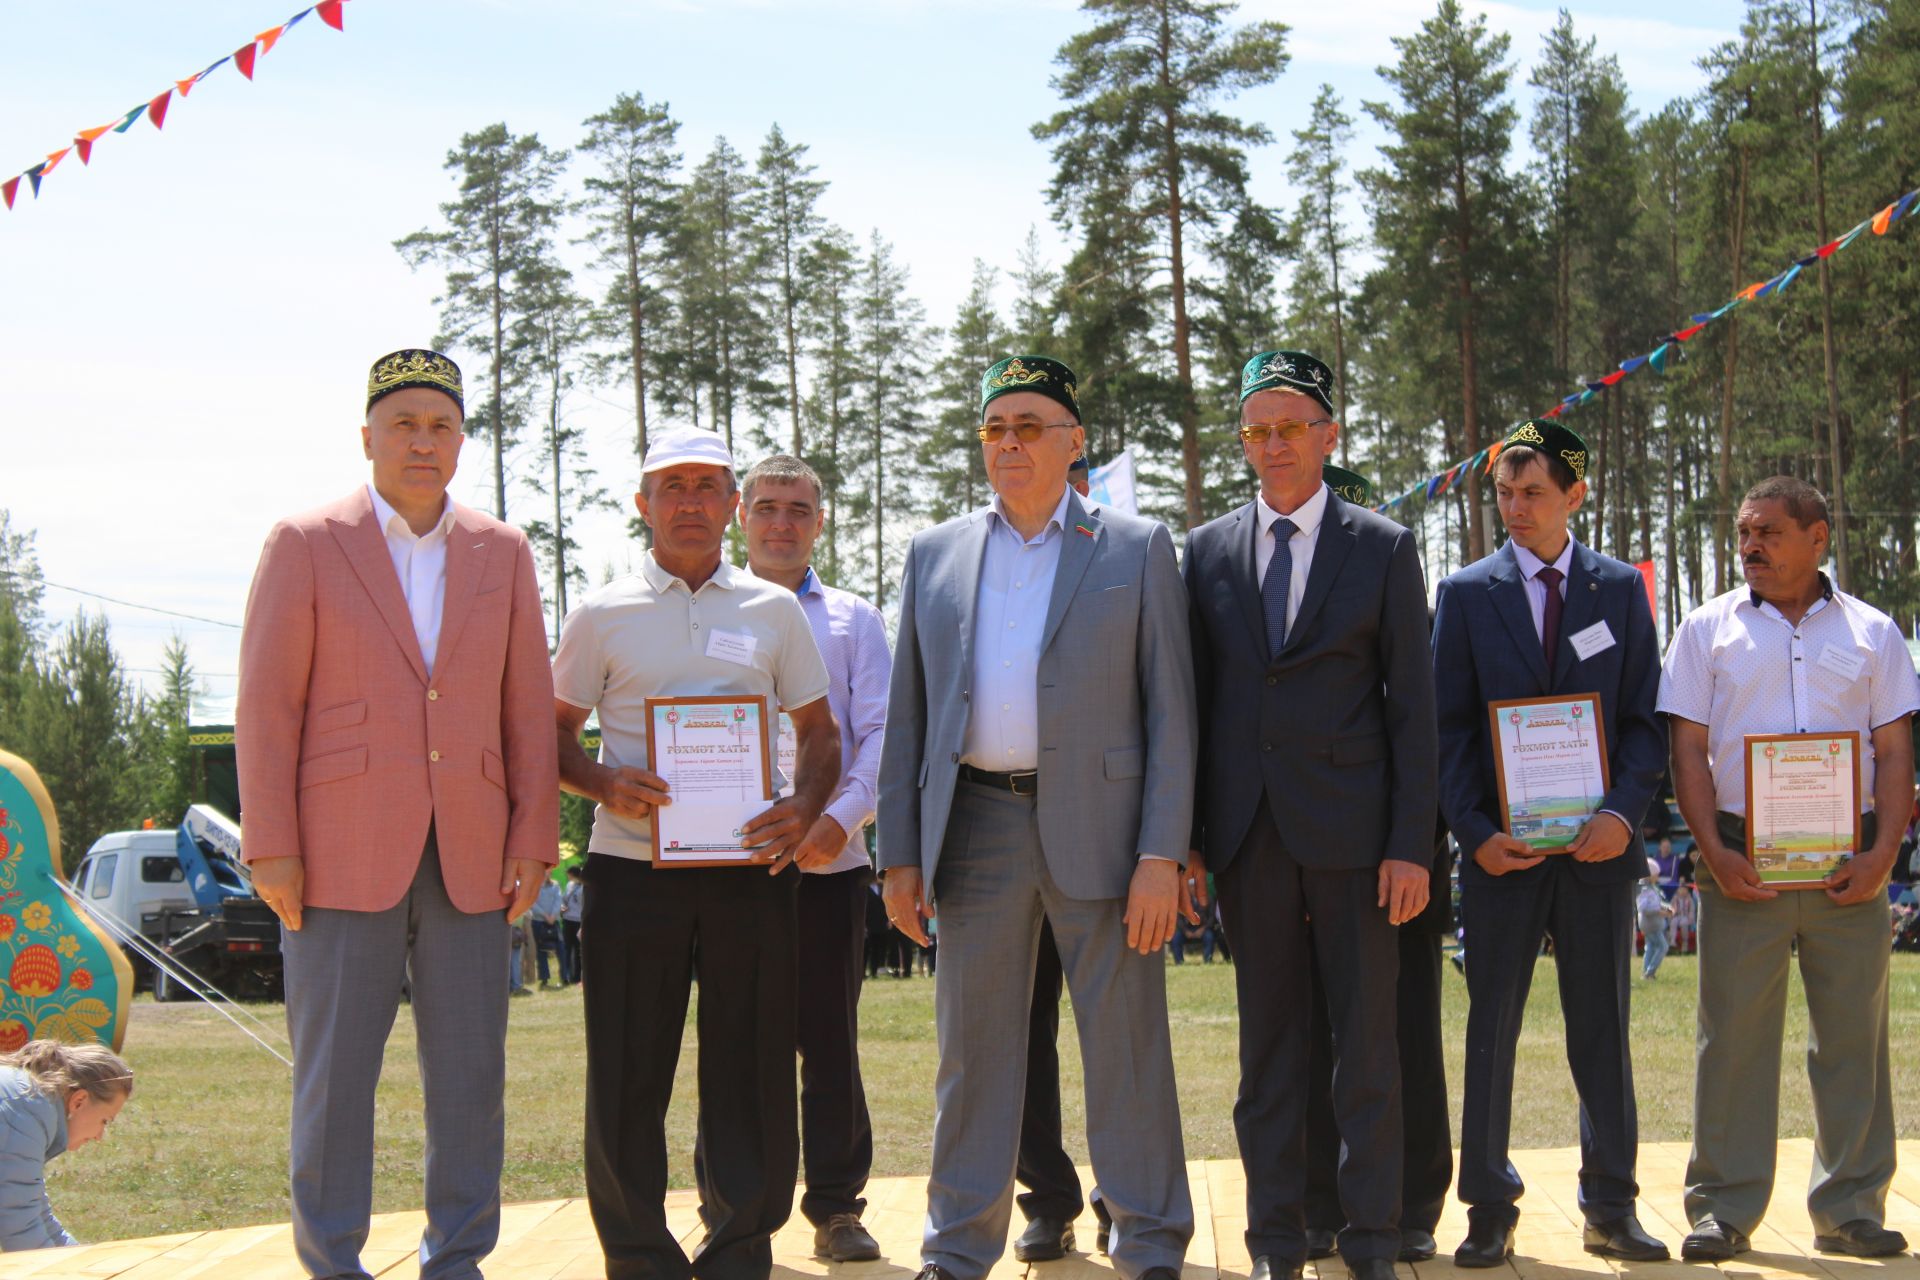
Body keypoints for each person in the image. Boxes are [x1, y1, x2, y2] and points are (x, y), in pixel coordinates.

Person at [236, 348, 559, 1280]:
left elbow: (526, 708)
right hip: (335, 855)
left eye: (442, 425)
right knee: (335, 1079)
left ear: (462, 441)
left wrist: (534, 836)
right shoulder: (305, 541)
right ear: (367, 435)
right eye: (405, 422)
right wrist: (272, 847)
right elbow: (266, 707)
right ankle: (333, 1261)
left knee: (470, 1079)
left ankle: (457, 1259)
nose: (424, 440)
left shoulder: (502, 551)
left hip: (474, 853)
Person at [878, 354, 1197, 1280]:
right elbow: (911, 712)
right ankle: (956, 1247)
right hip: (973, 828)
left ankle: (1149, 1242)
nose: (1009, 442)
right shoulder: (935, 552)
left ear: (1073, 440)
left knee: (1127, 1045)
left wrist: (1161, 854)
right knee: (972, 1054)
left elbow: (1173, 713)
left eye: (1029, 425)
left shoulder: (1136, 546)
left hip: (1107, 835)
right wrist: (900, 855)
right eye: (994, 427)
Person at [553, 427, 841, 1280]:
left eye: (705, 486)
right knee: (626, 1070)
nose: (687, 501)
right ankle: (639, 1256)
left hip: (750, 873)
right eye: (669, 486)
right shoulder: (600, 612)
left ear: (730, 506)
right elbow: (554, 737)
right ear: (642, 505)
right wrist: (604, 784)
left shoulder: (772, 609)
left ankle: (739, 1248)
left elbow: (820, 733)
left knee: (751, 1068)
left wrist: (802, 805)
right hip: (629, 870)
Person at [1182, 350, 1436, 1280]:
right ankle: (1275, 1244)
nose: (1275, 444)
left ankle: (1371, 1244)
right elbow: (1194, 709)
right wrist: (1192, 845)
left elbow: (1414, 710)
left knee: (1366, 1051)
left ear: (1329, 436)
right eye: (1257, 429)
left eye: (1292, 426)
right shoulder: (1205, 550)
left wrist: (1413, 846)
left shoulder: (1384, 546)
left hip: (1359, 843)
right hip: (1248, 839)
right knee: (1268, 1057)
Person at [1659, 475, 1918, 1262]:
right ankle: (1724, 1208)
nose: (1750, 547)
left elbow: (1897, 753)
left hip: (1853, 863)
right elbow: (1687, 754)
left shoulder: (1875, 633)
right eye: (1743, 534)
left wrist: (1883, 856)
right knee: (1731, 1038)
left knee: (1852, 1039)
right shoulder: (1706, 629)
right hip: (1740, 860)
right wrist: (1713, 852)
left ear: (1818, 536)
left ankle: (1850, 1207)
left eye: (1768, 532)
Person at [1430, 420, 1669, 1266]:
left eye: (1533, 493)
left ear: (1575, 493)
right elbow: (1446, 730)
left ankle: (1611, 1202)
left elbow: (1646, 723)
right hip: (1502, 860)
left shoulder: (1621, 589)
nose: (1516, 509)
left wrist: (1621, 815)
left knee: (1600, 1028)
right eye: (1503, 493)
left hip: (1600, 856)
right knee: (1490, 1031)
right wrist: (1476, 833)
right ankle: (1488, 1207)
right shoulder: (1463, 594)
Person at [737, 454, 892, 1263]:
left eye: (798, 509)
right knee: (737, 1039)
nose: (782, 523)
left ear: (819, 522)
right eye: (766, 507)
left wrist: (835, 821)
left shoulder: (854, 621)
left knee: (828, 1040)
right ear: (741, 517)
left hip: (828, 866)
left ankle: (836, 1207)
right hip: (727, 871)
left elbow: (880, 735)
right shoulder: (705, 612)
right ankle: (737, 1208)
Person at [1301, 469, 1455, 1269]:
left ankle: (1414, 1201)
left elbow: (1420, 733)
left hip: (1400, 859)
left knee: (1403, 1036)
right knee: (1312, 1037)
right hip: (1311, 853)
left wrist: (1415, 848)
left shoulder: (1398, 588)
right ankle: (1323, 1199)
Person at [0, 1041, 132, 1251]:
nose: (99, 1136)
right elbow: (22, 1232)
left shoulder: (29, 1104)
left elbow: (38, 1217)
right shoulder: (26, 1113)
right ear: (79, 1101)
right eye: (104, 1121)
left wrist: (84, 1262)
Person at [1637, 862, 1674, 979]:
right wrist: (1659, 911)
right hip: (1650, 925)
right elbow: (1643, 908)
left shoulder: (1652, 888)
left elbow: (1656, 903)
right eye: (1656, 874)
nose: (1658, 877)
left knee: (1651, 947)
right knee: (1663, 947)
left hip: (1652, 925)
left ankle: (1646, 973)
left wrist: (1667, 907)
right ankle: (1650, 972)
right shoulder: (1644, 890)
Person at [532, 872, 566, 988]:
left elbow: (558, 901)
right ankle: (544, 979)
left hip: (554, 922)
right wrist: (545, 915)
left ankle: (564, 977)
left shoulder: (555, 886)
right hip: (539, 922)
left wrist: (553, 915)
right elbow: (532, 903)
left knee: (561, 949)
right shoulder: (534, 886)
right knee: (541, 951)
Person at [560, 864, 585, 984]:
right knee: (566, 949)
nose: (567, 875)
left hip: (578, 921)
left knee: (577, 950)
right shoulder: (570, 885)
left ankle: (577, 977)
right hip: (567, 920)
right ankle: (566, 976)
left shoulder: (584, 887)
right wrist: (562, 906)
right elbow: (564, 899)